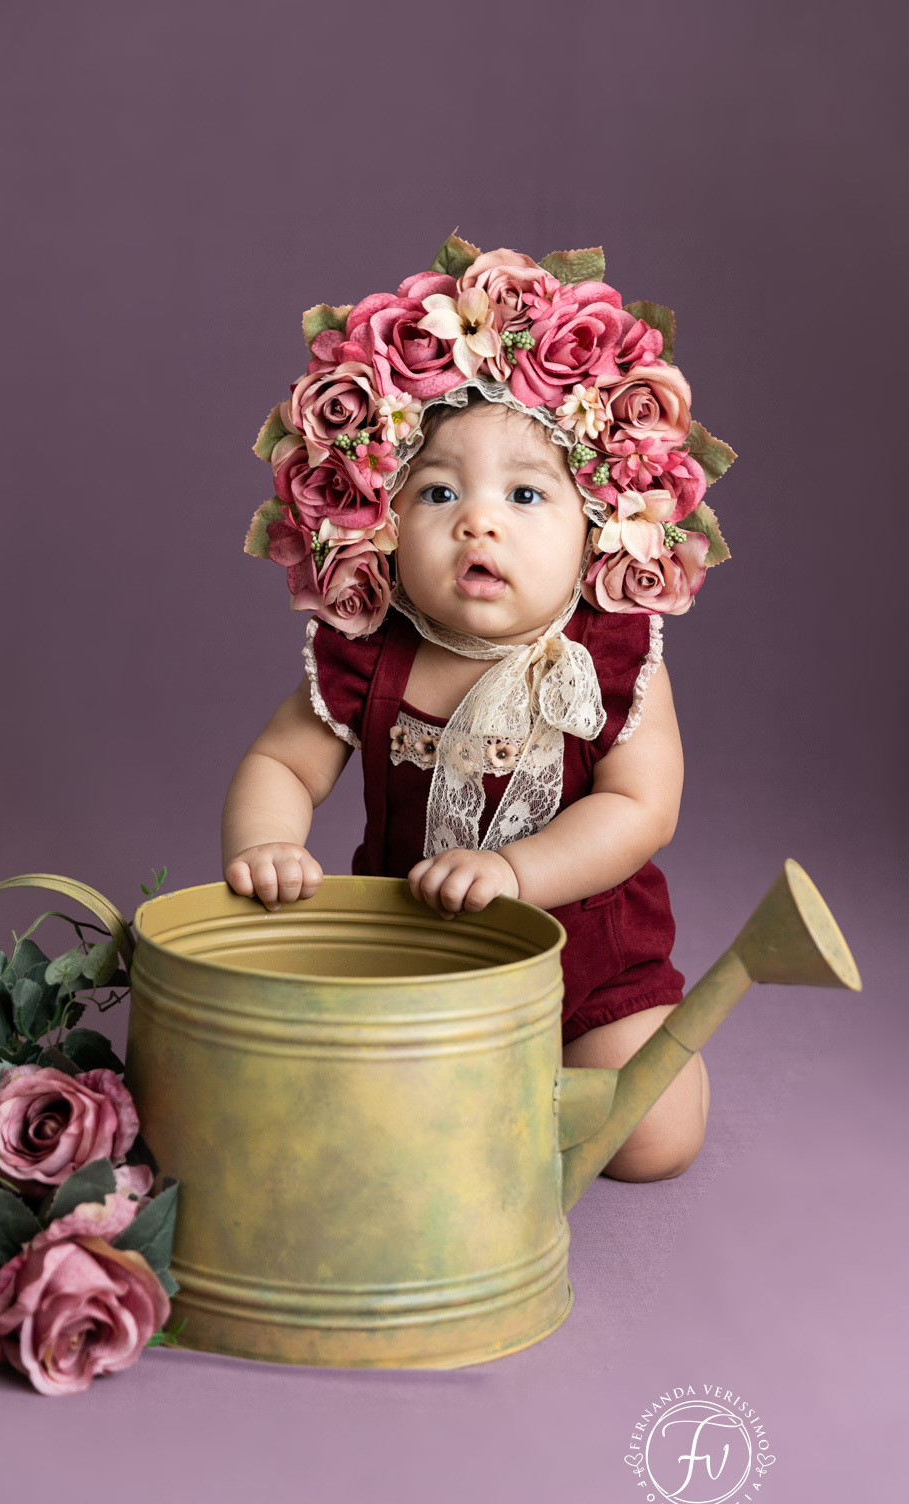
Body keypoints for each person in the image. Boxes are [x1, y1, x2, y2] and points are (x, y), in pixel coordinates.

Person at [222, 239, 735, 1183]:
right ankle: (479, 1093)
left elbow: (641, 806)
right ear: (380, 518)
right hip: (414, 963)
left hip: (590, 971)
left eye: (527, 493)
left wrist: (515, 870)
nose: (478, 520)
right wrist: (269, 844)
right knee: (352, 1118)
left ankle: (548, 1084)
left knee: (653, 1137)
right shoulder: (371, 648)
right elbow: (283, 764)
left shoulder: (613, 657)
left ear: (598, 525)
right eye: (438, 491)